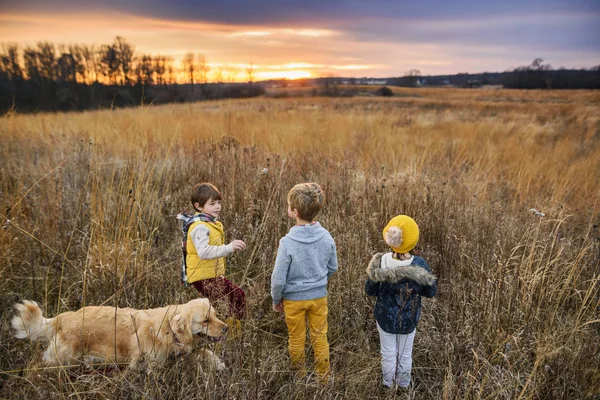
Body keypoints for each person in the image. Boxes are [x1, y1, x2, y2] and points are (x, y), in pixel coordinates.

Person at [271, 182, 338, 382]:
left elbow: (278, 278)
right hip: (319, 298)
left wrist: (276, 299)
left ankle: (299, 376)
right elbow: (333, 267)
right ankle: (323, 377)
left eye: (288, 206)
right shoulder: (326, 237)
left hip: (293, 301)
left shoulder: (287, 242)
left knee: (296, 339)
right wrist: (319, 282)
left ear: (295, 212)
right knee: (320, 337)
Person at [365, 215, 437, 389]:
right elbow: (431, 291)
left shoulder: (381, 262)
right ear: (413, 241)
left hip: (384, 318)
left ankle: (388, 385)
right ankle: (404, 385)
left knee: (388, 353)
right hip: (409, 319)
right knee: (405, 354)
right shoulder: (420, 265)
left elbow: (370, 290)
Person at [184, 182, 246, 329]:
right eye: (212, 204)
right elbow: (204, 252)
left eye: (219, 202)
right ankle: (233, 333)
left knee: (218, 305)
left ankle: (217, 331)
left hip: (208, 275)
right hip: (202, 277)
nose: (217, 206)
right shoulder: (200, 226)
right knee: (237, 296)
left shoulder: (209, 223)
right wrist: (229, 247)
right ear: (199, 206)